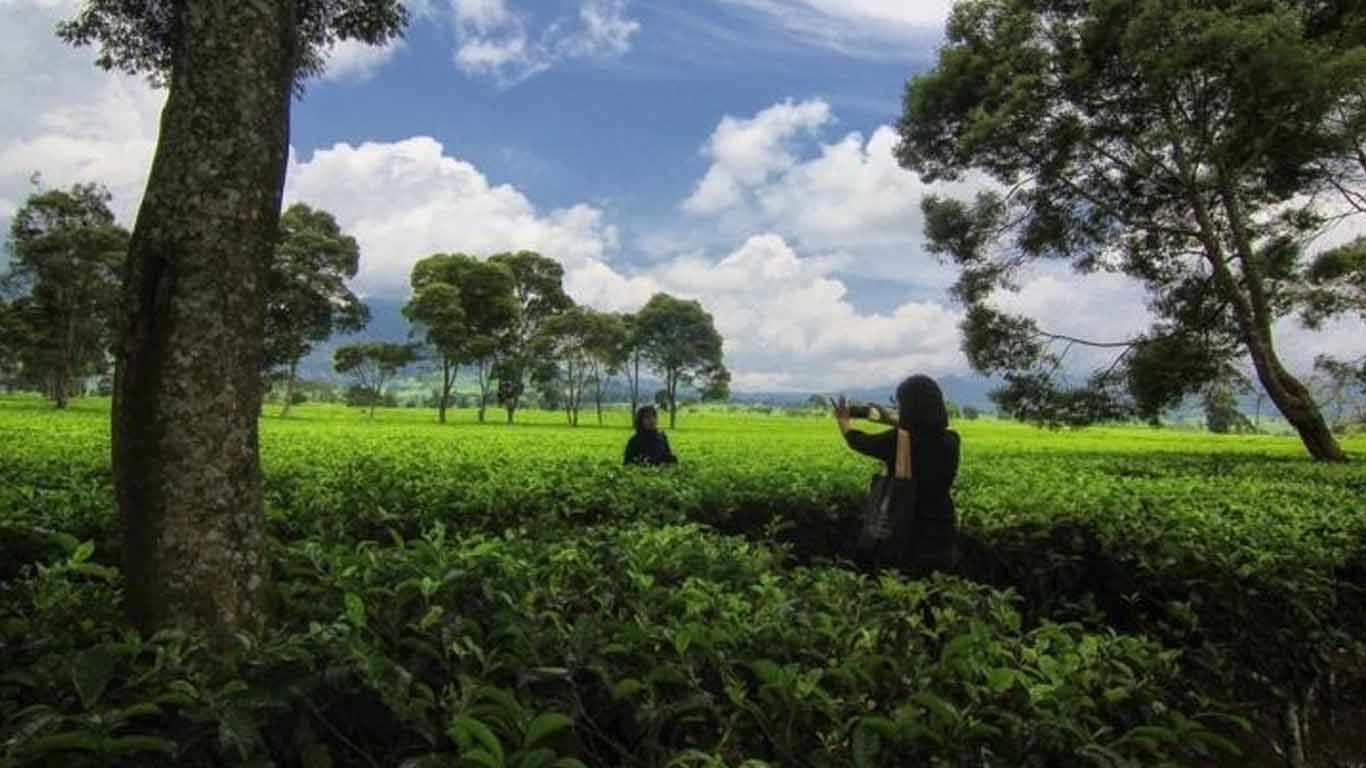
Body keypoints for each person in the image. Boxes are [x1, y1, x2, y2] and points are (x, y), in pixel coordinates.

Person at [833, 375, 961, 574]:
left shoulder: (896, 441)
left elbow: (859, 441)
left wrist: (844, 422)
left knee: (901, 582)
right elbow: (922, 433)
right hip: (943, 528)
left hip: (907, 530)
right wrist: (891, 420)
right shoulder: (952, 440)